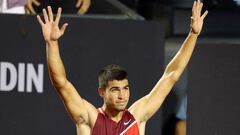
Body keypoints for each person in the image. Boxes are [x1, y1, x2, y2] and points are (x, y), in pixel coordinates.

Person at [36, 0, 208, 134]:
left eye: (125, 88)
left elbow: (172, 75)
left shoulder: (137, 116)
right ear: (102, 92)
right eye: (115, 90)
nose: (122, 95)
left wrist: (193, 34)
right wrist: (52, 43)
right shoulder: (89, 117)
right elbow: (60, 83)